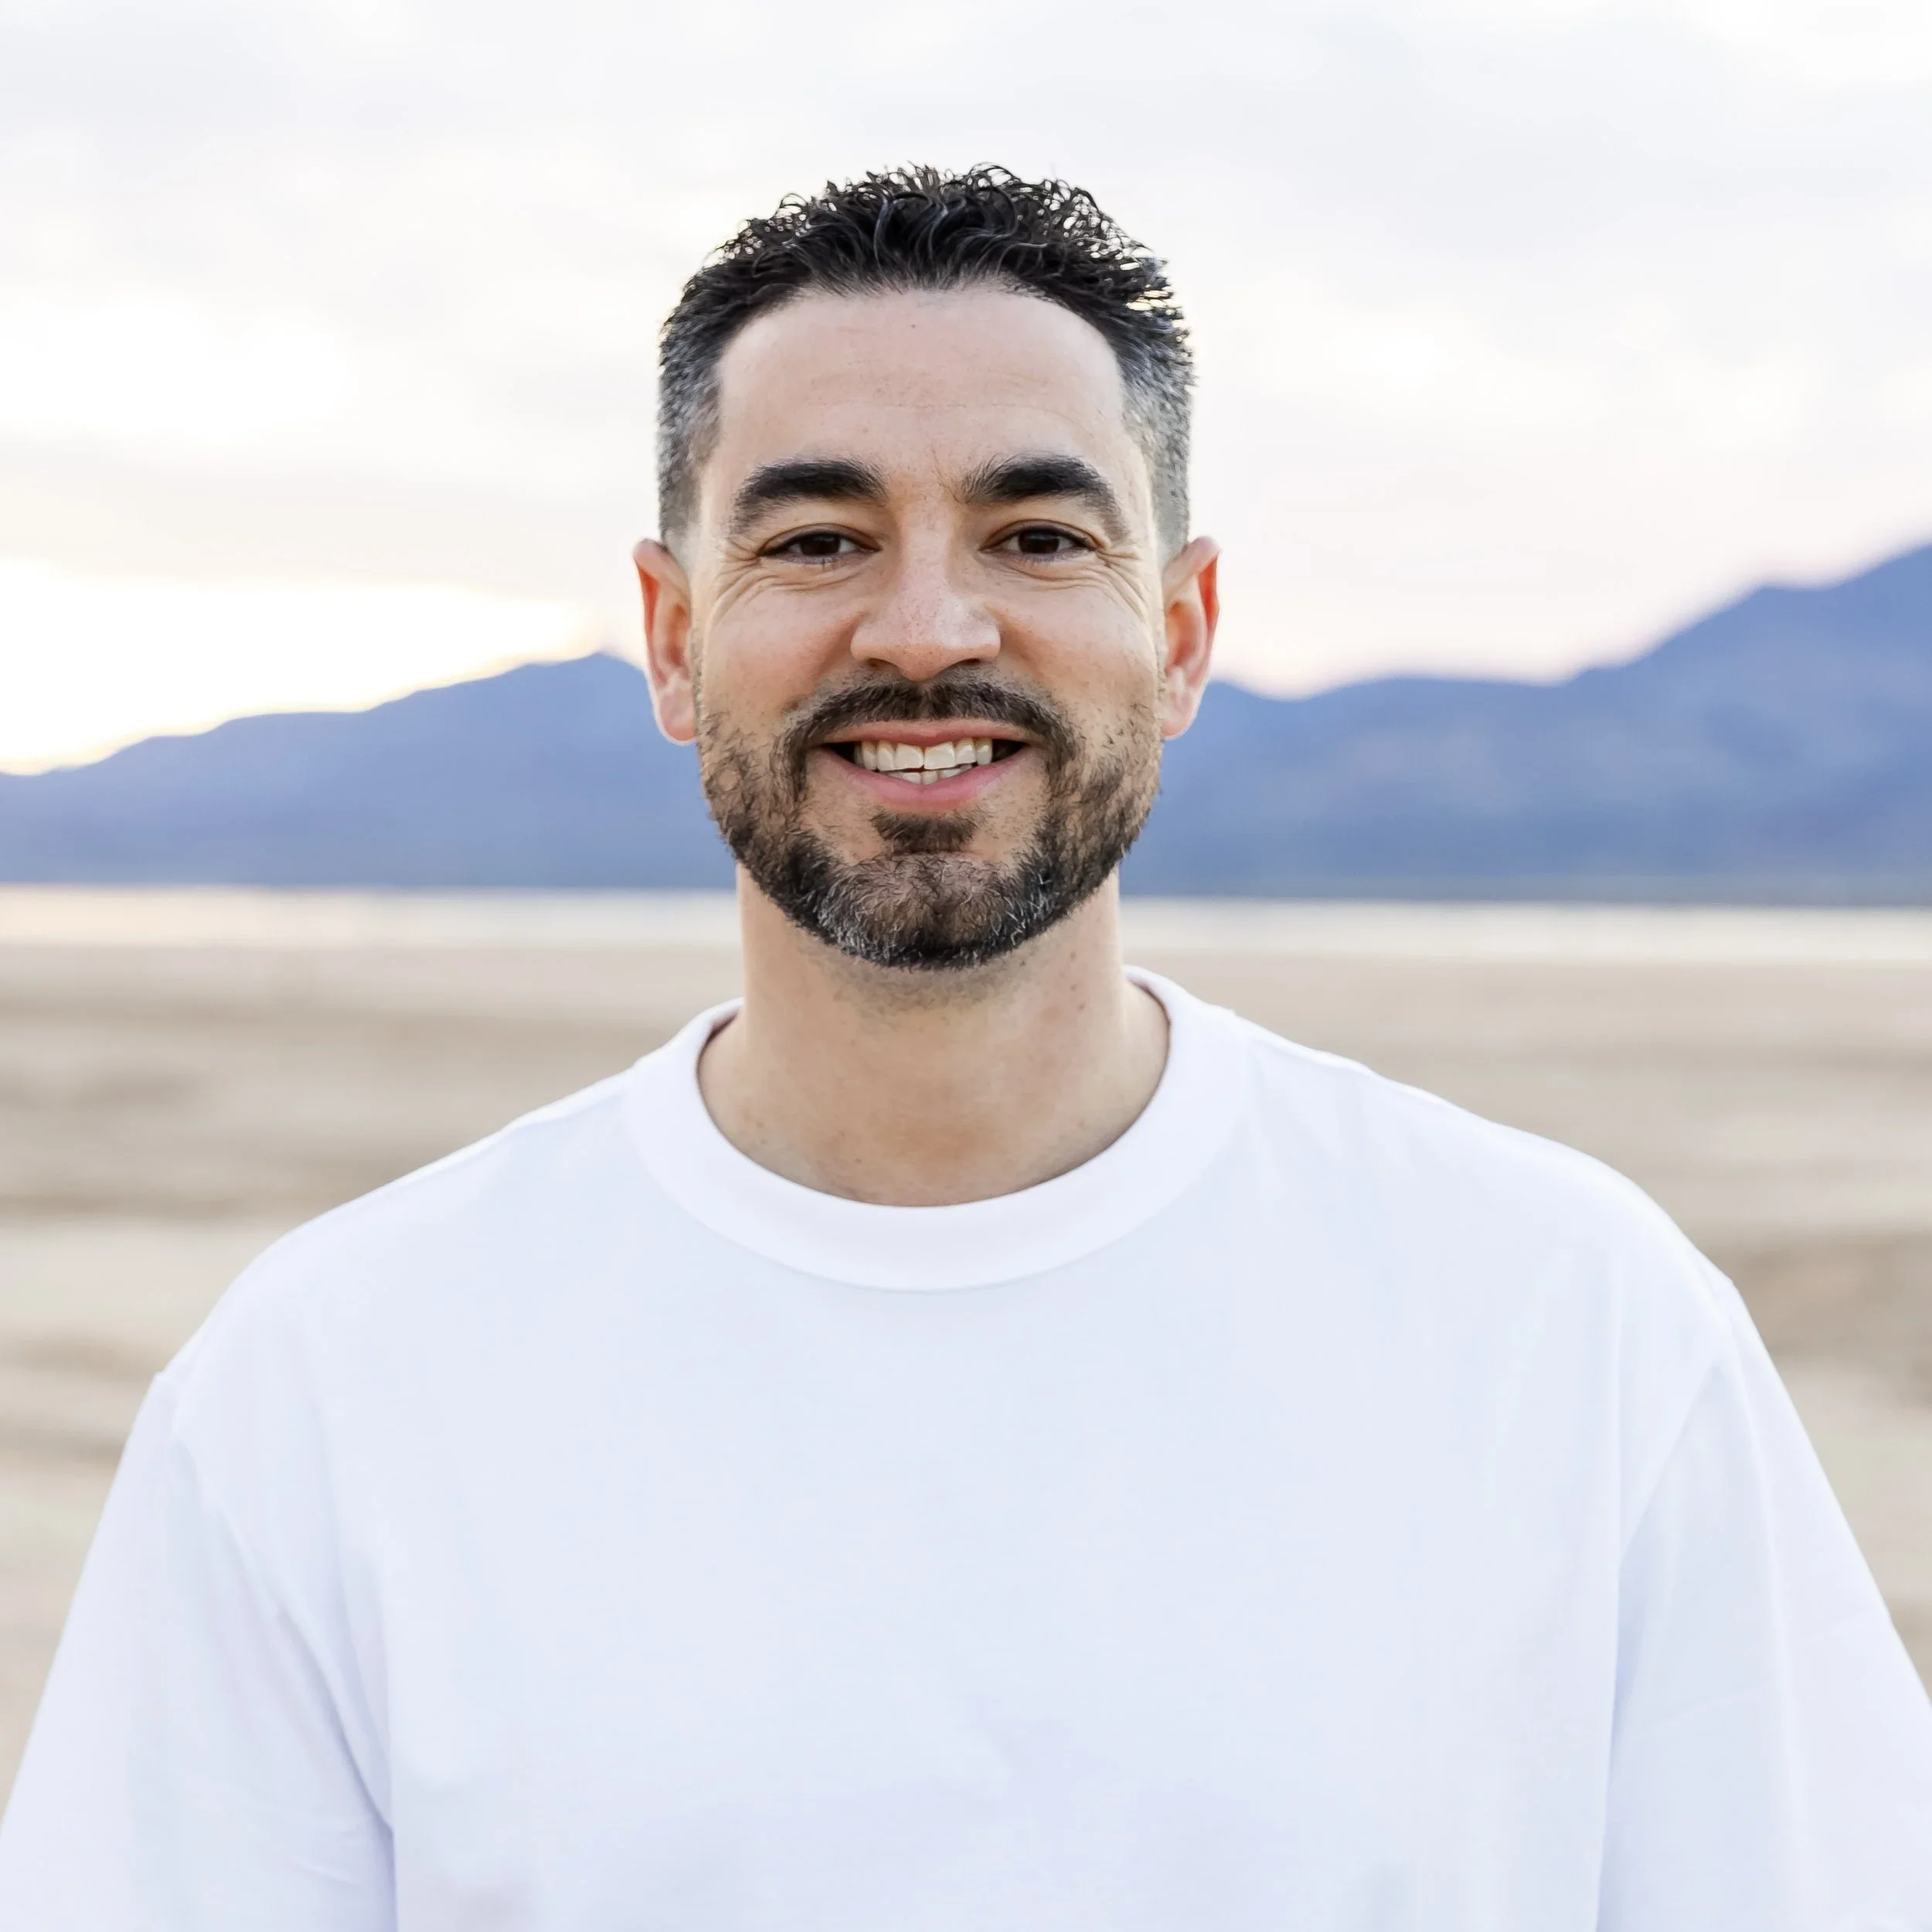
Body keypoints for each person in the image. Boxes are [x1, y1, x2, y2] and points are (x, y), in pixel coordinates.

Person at [2, 166, 1927, 1930]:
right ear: (671, 639)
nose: (924, 626)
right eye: (821, 536)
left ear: (1177, 630)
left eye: (1033, 529)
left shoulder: (1569, 1322)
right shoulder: (328, 1383)